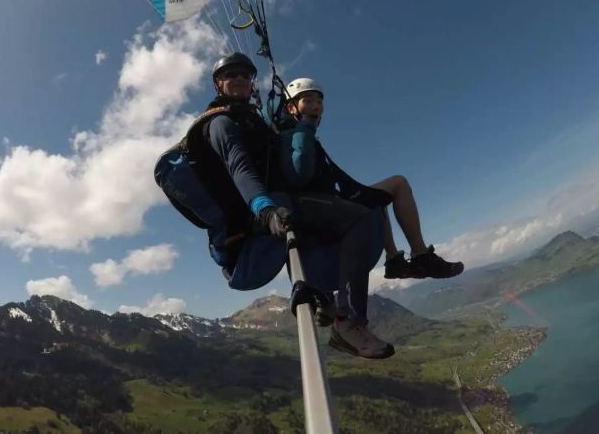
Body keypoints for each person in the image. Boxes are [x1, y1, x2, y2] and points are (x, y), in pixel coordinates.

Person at [198, 53, 394, 360]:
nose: (238, 78)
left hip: (278, 204)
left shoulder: (250, 119)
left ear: (252, 83)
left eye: (245, 75)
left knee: (333, 220)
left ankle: (325, 298)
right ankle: (349, 321)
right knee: (359, 218)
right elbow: (239, 167)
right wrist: (264, 208)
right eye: (230, 74)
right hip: (259, 211)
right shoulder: (220, 123)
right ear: (217, 83)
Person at [280, 77, 464, 281]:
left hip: (329, 199)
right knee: (399, 184)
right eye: (307, 100)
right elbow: (300, 174)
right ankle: (420, 256)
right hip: (323, 205)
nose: (316, 106)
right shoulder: (295, 134)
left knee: (378, 198)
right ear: (291, 107)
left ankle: (394, 260)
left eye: (319, 101)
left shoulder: (299, 134)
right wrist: (305, 128)